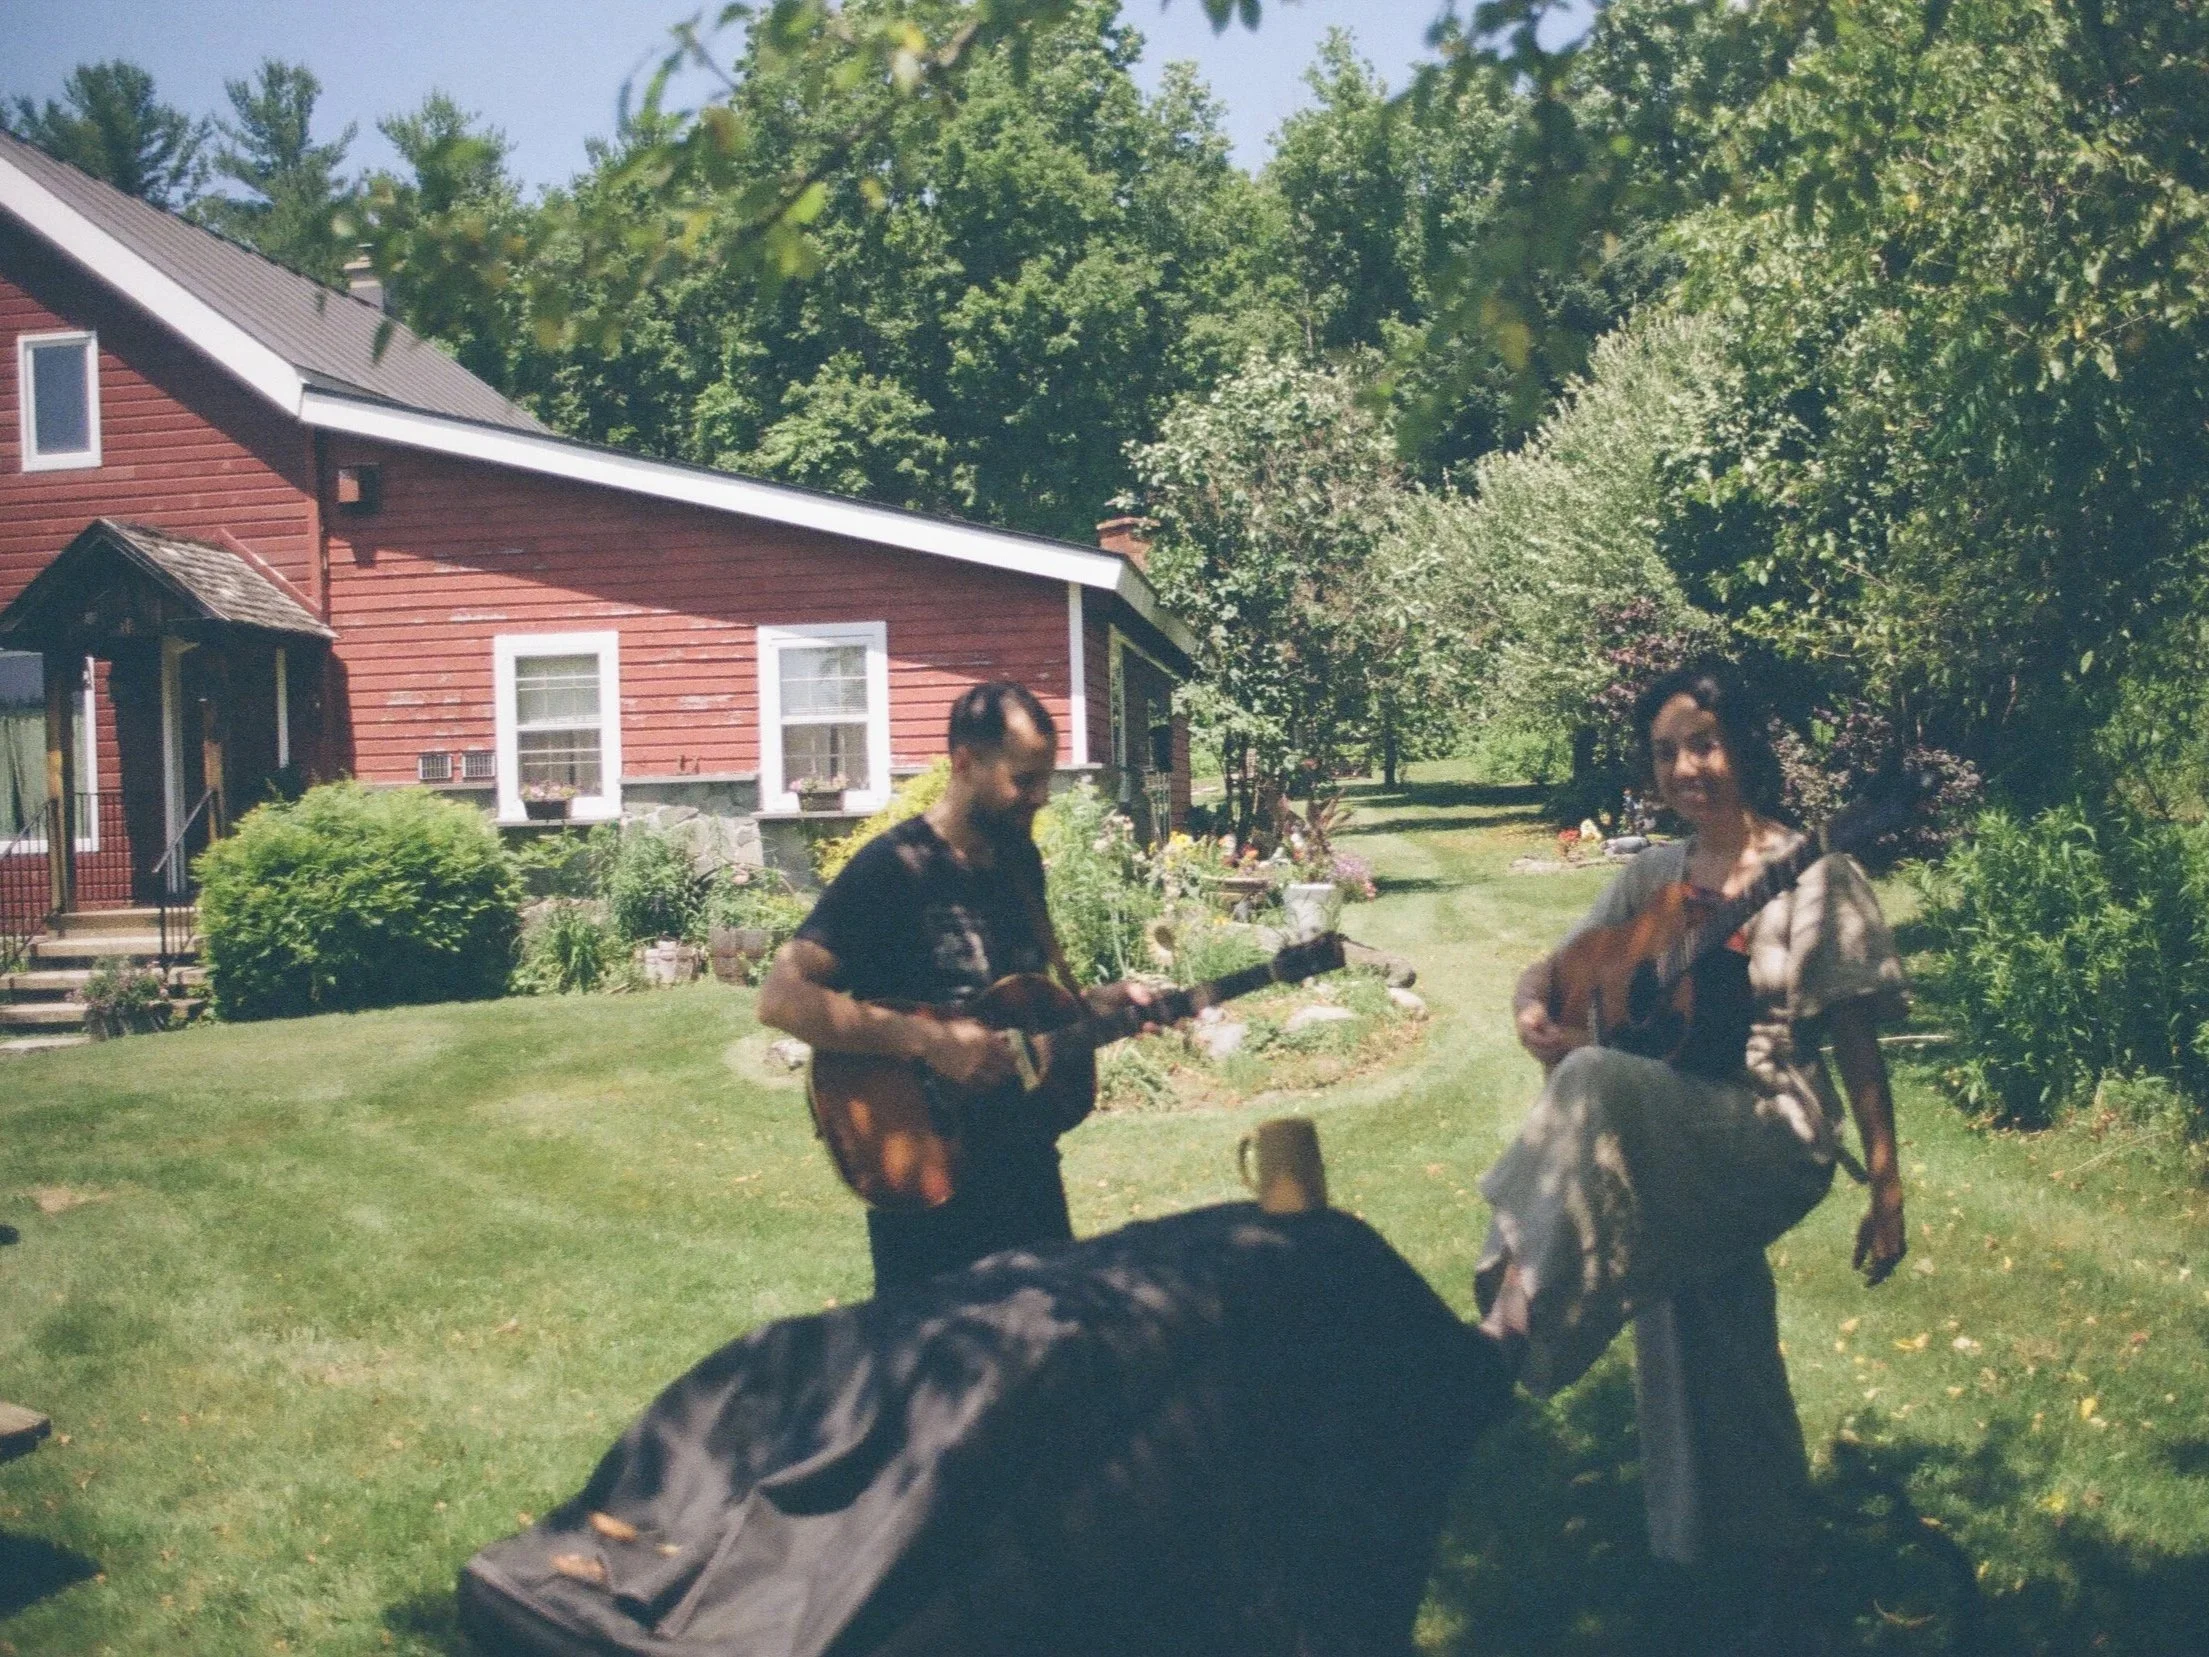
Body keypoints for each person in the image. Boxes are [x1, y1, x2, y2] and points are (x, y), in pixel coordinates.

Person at [1474, 663, 1909, 1640]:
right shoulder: (1653, 875)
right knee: (1700, 1317)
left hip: (1771, 1127)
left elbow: (1854, 1045)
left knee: (1594, 1083)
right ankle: (1735, 1557)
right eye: (1667, 750)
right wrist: (1532, 1007)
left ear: (1742, 743)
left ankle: (1505, 1323)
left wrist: (1885, 1189)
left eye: (1702, 743)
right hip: (1677, 1124)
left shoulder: (1814, 871)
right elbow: (1557, 967)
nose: (1687, 767)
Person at [758, 681, 1161, 1294]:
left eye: (1044, 780)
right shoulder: (891, 871)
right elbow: (781, 997)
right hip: (929, 1189)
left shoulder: (1018, 863)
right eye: (1023, 781)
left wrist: (1099, 1006)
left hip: (1027, 1173)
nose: (1039, 798)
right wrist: (929, 1041)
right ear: (965, 764)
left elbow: (1013, 1010)